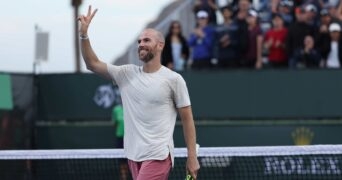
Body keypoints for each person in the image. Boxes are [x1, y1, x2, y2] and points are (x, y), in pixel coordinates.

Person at [78, 6, 200, 180]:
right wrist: (84, 35)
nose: (141, 44)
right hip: (133, 156)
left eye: (146, 40)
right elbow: (92, 63)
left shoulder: (174, 80)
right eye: (139, 41)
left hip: (158, 155)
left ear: (160, 45)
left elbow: (187, 119)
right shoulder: (125, 74)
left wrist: (192, 157)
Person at [111, 97, 128, 180]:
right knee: (122, 161)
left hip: (130, 139)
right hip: (120, 138)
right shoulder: (116, 110)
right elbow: (114, 123)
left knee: (131, 159)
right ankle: (124, 177)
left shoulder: (131, 108)